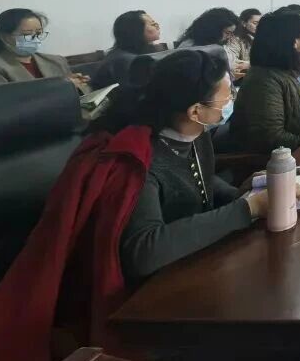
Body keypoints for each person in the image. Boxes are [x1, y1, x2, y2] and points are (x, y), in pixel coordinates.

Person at [109, 49, 267, 282]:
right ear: (195, 111)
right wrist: (246, 208)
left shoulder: (195, 133)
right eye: (226, 98)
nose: (231, 102)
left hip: (202, 257)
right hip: (162, 282)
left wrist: (242, 194)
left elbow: (199, 178)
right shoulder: (139, 160)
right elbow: (144, 251)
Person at [231, 11, 300, 154]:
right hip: (292, 157)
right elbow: (272, 137)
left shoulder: (296, 68)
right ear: (293, 41)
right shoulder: (264, 80)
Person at [0, 8, 88, 92]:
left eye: (38, 33)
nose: (35, 38)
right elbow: (6, 102)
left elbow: (80, 97)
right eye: (27, 34)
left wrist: (79, 85)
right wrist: (63, 87)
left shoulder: (56, 61)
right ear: (5, 37)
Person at [91, 10, 162, 89]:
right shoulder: (127, 60)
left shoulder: (122, 54)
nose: (157, 26)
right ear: (136, 30)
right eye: (153, 24)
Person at [177, 7, 242, 77]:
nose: (229, 37)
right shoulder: (213, 50)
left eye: (232, 33)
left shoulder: (194, 42)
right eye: (227, 33)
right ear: (214, 30)